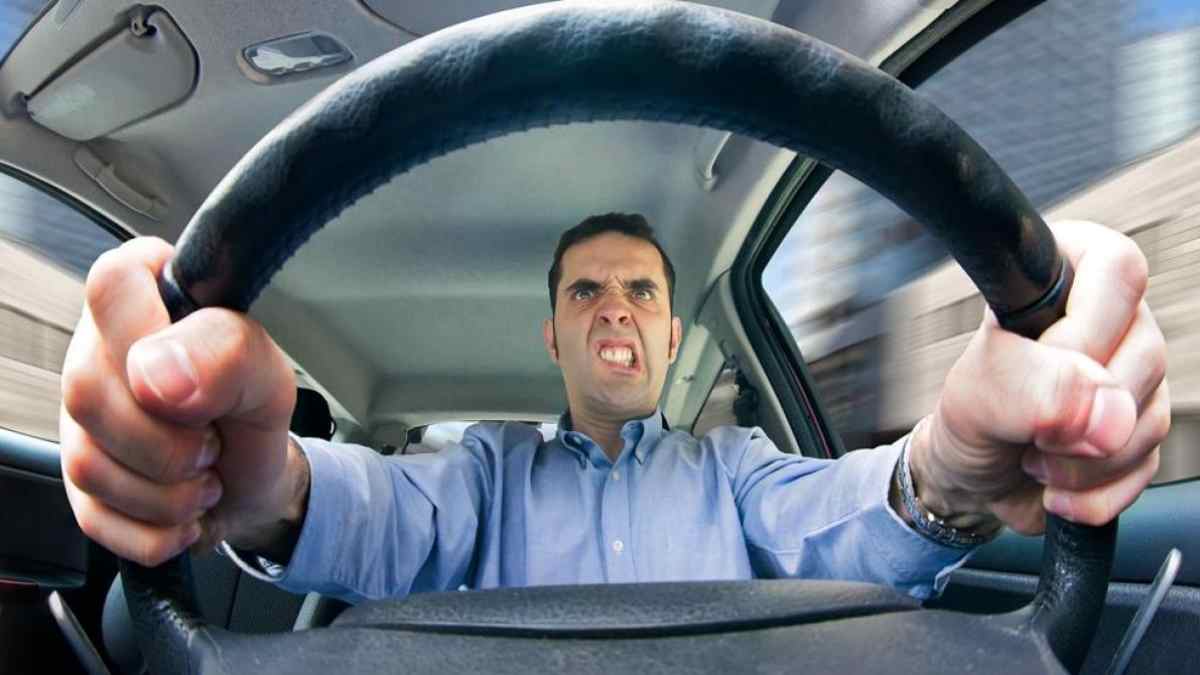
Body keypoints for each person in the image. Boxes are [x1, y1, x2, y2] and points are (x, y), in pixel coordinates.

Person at [59, 213, 1169, 604]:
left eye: (642, 288)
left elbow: (845, 510)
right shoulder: (485, 471)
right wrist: (265, 490)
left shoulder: (734, 469)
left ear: (673, 334)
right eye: (584, 290)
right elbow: (384, 509)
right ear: (555, 336)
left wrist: (950, 468)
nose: (614, 310)